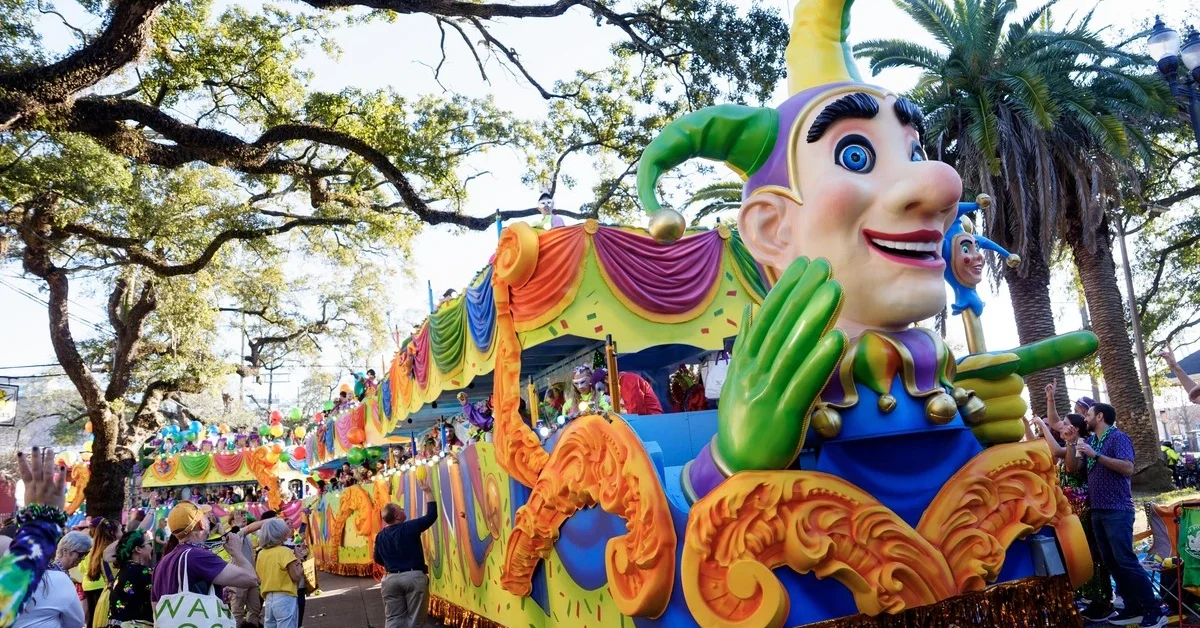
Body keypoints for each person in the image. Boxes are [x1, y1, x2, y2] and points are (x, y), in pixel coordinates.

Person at [1066, 402, 1165, 627]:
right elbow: (1072, 468)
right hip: (1098, 510)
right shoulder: (1091, 441)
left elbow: (1128, 468)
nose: (1085, 418)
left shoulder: (1119, 438)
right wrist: (1071, 442)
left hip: (1118, 510)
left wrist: (1096, 455)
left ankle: (1154, 610)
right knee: (1111, 562)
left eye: (1088, 415)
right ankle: (1132, 607)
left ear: (1100, 416)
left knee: (1126, 560)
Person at [151, 501, 259, 604]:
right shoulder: (198, 556)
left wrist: (214, 593)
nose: (209, 521)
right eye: (206, 518)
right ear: (201, 524)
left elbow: (156, 606)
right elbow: (251, 579)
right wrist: (236, 552)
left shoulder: (161, 563)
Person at [374, 479, 437, 628]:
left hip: (390, 579)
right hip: (413, 577)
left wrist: (392, 564)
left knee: (393, 619)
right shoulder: (410, 527)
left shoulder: (380, 536)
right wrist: (428, 492)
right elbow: (431, 516)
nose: (403, 510)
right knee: (415, 619)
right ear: (397, 516)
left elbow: (377, 558)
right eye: (400, 509)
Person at [14, 530, 91, 628]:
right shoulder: (58, 577)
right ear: (65, 551)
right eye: (81, 554)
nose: (83, 558)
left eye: (86, 554)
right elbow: (77, 621)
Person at [255, 518, 303, 628]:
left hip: (268, 597)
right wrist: (299, 559)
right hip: (285, 596)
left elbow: (259, 578)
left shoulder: (261, 554)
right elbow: (296, 576)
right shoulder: (285, 551)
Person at [108, 529, 155, 627]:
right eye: (149, 543)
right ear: (138, 549)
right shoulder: (143, 572)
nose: (151, 547)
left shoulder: (123, 570)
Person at [79, 517, 119, 626]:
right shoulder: (108, 548)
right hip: (102, 584)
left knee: (92, 616)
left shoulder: (88, 546)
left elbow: (81, 568)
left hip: (88, 584)